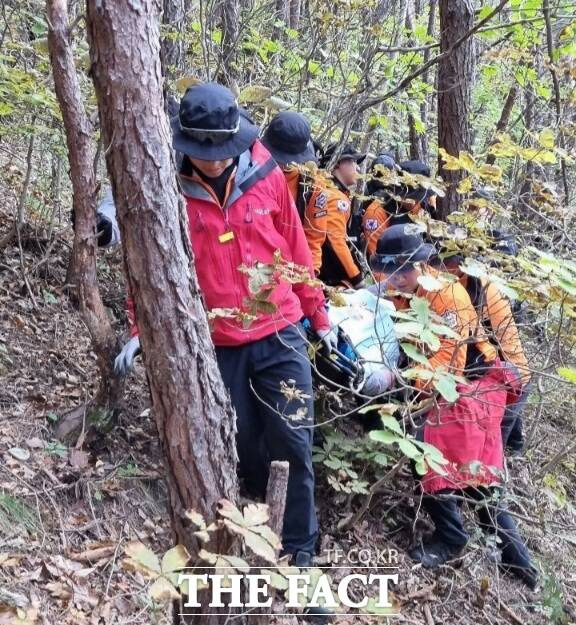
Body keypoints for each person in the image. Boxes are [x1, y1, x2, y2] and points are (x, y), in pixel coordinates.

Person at [114, 84, 338, 576]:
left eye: (221, 153)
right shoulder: (167, 185)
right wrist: (139, 329)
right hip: (216, 342)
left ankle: (300, 552)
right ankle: (247, 533)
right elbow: (146, 267)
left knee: (294, 439)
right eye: (202, 154)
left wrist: (320, 318)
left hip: (280, 330)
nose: (213, 163)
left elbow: (297, 251)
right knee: (236, 441)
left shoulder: (267, 174)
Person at [369, 225, 538, 589]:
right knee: (476, 478)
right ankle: (519, 564)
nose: (394, 279)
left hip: (475, 387)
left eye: (401, 271)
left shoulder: (449, 296)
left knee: (430, 453)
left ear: (422, 265)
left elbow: (450, 359)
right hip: (450, 385)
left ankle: (454, 538)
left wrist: (406, 387)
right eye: (390, 271)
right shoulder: (401, 291)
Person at [433, 243, 530, 455]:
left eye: (445, 264)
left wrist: (515, 381)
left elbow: (506, 343)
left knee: (494, 442)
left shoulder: (486, 291)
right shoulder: (444, 287)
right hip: (484, 368)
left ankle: (500, 476)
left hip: (506, 373)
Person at [261, 112, 328, 274]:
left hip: (294, 264)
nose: (283, 165)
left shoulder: (312, 185)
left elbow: (314, 236)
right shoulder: (252, 172)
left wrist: (309, 276)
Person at [318, 143, 366, 288]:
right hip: (330, 278)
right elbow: (335, 240)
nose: (357, 167)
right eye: (352, 161)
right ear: (338, 163)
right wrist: (357, 278)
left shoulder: (328, 190)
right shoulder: (335, 197)